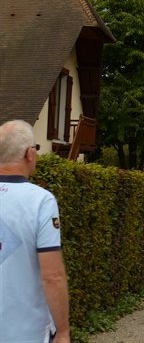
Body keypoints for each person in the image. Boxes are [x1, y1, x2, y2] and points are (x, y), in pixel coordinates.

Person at [0, 120, 71, 342]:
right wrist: (62, 331)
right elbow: (52, 276)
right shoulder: (41, 201)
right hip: (26, 332)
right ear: (30, 154)